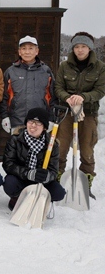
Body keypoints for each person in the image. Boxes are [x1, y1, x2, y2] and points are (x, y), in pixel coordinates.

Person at [55, 32, 105, 198]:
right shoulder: (65, 66)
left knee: (86, 148)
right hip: (67, 112)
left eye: (83, 46)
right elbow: (58, 87)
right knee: (60, 147)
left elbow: (100, 90)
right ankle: (57, 179)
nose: (80, 50)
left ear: (89, 48)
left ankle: (85, 183)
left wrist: (83, 97)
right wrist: (67, 97)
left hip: (88, 113)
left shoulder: (99, 67)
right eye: (77, 47)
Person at [2, 108, 66, 211]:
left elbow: (54, 170)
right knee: (10, 183)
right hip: (21, 178)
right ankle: (16, 198)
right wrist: (28, 173)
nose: (33, 125)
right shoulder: (15, 140)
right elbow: (8, 164)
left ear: (44, 127)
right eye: (31, 121)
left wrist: (47, 176)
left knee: (59, 193)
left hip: (41, 183)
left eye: (38, 123)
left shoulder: (52, 145)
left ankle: (39, 201)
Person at [0, 35, 57, 135]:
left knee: (38, 150)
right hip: (17, 121)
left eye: (31, 48)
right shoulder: (11, 71)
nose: (27, 52)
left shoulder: (45, 71)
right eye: (24, 48)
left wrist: (51, 118)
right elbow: (4, 97)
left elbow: (52, 97)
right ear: (19, 51)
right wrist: (4, 117)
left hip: (39, 122)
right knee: (16, 149)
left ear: (37, 51)